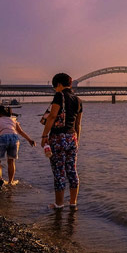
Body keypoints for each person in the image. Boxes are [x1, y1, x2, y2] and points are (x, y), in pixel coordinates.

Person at [40, 73, 83, 209]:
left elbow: (52, 116)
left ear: (58, 84)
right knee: (72, 170)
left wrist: (44, 136)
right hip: (72, 138)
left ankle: (59, 204)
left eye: (55, 87)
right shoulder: (78, 100)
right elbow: (78, 124)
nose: (55, 90)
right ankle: (73, 203)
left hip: (58, 138)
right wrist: (77, 141)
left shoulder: (60, 96)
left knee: (59, 171)